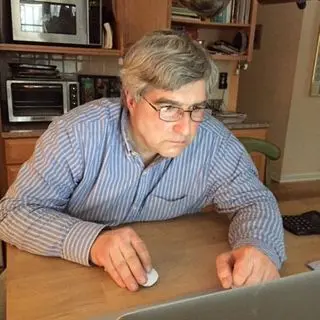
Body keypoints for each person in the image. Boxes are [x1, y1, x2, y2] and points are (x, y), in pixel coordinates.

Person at [0, 30, 286, 292]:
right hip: (68, 282)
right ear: (132, 99)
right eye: (168, 108)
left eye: (196, 108)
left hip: (170, 280)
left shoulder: (213, 141)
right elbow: (12, 213)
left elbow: (254, 201)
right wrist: (93, 241)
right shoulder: (78, 134)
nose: (186, 129)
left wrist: (257, 245)